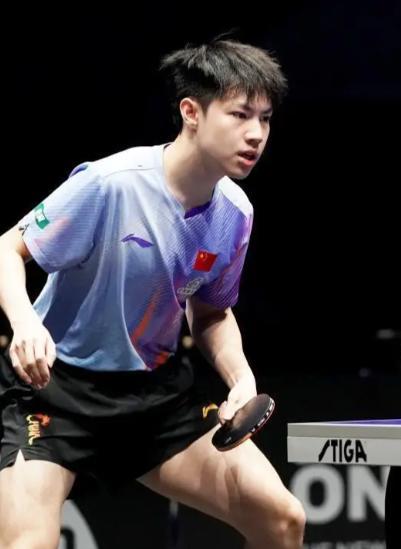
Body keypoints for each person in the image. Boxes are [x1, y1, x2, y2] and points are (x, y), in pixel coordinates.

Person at [0, 39, 306, 548]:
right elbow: (7, 248)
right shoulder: (110, 183)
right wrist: (25, 323)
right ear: (191, 112)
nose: (256, 134)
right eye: (239, 115)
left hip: (155, 400)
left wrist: (240, 377)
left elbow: (210, 312)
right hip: (56, 391)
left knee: (282, 519)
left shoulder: (235, 214)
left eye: (265, 118)